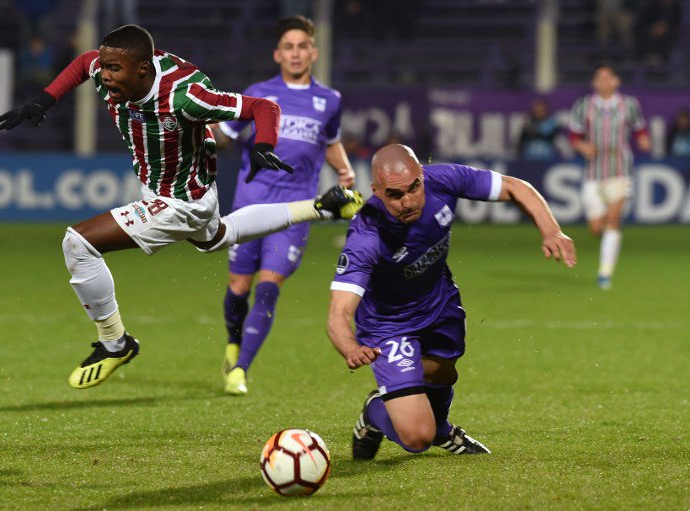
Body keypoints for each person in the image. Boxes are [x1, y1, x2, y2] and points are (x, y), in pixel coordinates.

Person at [0, 24, 364, 390]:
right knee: (219, 235)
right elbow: (84, 62)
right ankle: (319, 208)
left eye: (113, 70)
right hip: (187, 191)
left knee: (78, 243)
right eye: (104, 68)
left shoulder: (186, 95)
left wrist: (264, 143)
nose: (104, 76)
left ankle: (115, 342)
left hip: (179, 201)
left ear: (143, 69)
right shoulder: (112, 64)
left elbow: (264, 107)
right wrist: (44, 99)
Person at [326, 144, 576, 460]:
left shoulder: (444, 179)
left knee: (442, 373)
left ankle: (443, 429)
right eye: (394, 194)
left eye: (413, 188)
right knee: (417, 438)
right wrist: (350, 348)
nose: (407, 201)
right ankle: (375, 411)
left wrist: (552, 231)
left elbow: (516, 187)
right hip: (389, 325)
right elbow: (338, 314)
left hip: (440, 301)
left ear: (421, 176)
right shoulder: (366, 236)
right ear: (375, 190)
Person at [213, 16, 356, 396]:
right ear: (278, 54)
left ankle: (240, 369)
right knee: (238, 287)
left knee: (268, 286)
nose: (296, 53)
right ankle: (233, 342)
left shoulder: (330, 100)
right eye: (288, 47)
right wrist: (206, 133)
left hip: (297, 211)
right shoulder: (258, 94)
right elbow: (225, 136)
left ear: (314, 52)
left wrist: (343, 168)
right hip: (249, 207)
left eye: (302, 46)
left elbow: (330, 140)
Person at [568, 64, 650, 290]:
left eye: (607, 78)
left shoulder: (629, 105)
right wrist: (583, 146)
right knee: (596, 228)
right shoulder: (584, 105)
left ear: (616, 81)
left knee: (613, 221)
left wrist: (643, 140)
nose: (603, 81)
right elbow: (574, 136)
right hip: (593, 171)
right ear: (594, 83)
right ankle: (601, 236)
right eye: (599, 78)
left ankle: (605, 272)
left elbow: (640, 128)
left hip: (620, 169)